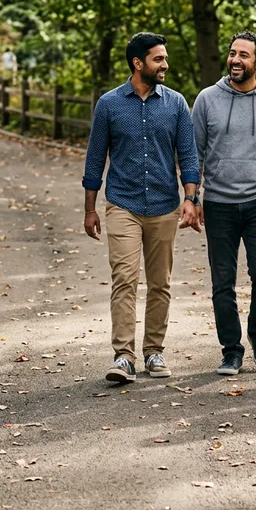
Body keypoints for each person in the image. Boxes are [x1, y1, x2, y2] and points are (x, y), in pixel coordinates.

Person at [83, 32, 200, 384]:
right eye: (158, 59)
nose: (165, 65)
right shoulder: (109, 104)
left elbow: (189, 155)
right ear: (138, 63)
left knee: (160, 283)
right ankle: (124, 357)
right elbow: (94, 159)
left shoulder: (177, 104)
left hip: (164, 205)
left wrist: (191, 199)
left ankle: (153, 352)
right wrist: (90, 209)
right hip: (123, 204)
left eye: (164, 59)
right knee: (125, 279)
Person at [192, 31, 256, 377]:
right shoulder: (207, 99)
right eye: (232, 53)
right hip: (219, 204)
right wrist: (194, 196)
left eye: (244, 55)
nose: (235, 60)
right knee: (223, 281)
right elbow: (195, 153)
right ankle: (231, 350)